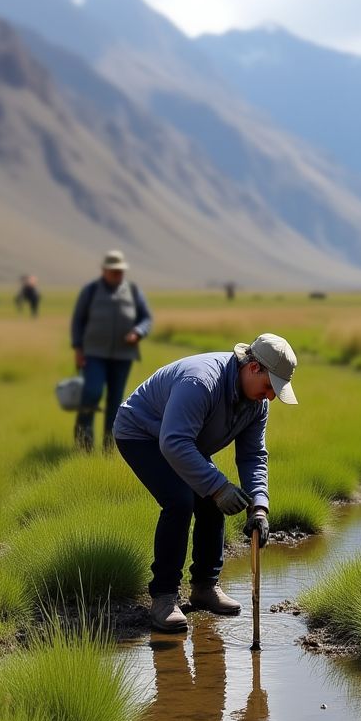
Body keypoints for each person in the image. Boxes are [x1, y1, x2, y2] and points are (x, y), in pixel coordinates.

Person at [113, 333, 298, 632]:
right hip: (142, 433)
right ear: (253, 368)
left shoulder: (257, 404)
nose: (271, 396)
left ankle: (204, 587)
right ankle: (164, 597)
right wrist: (218, 487)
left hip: (184, 439)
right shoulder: (200, 382)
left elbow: (253, 456)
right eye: (269, 386)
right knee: (180, 501)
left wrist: (259, 507)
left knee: (213, 499)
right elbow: (173, 442)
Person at [70, 249, 152, 452]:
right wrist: (78, 348)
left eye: (120, 271)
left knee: (115, 401)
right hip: (94, 353)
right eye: (113, 271)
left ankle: (110, 446)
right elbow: (78, 320)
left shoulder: (132, 291)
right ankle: (84, 440)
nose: (118, 274)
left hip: (123, 356)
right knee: (92, 392)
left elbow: (146, 318)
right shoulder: (90, 291)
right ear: (104, 270)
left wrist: (138, 332)